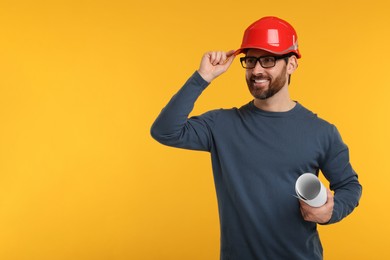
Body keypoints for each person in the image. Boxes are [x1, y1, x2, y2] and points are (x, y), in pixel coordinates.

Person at [150, 16, 362, 260]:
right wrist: (202, 77)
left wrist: (330, 212)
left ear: (291, 64)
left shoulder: (322, 132)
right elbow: (164, 131)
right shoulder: (221, 125)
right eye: (250, 60)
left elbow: (349, 186)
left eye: (268, 60)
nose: (257, 70)